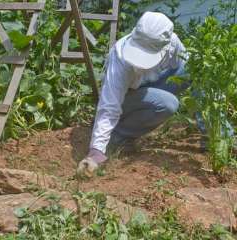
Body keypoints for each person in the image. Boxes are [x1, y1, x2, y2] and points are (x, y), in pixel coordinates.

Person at [77, 12, 190, 176]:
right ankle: (117, 137)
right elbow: (109, 107)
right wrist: (96, 152)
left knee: (191, 69)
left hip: (150, 86)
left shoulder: (172, 43)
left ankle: (216, 135)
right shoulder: (120, 59)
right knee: (168, 103)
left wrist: (218, 133)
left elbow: (197, 74)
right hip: (127, 98)